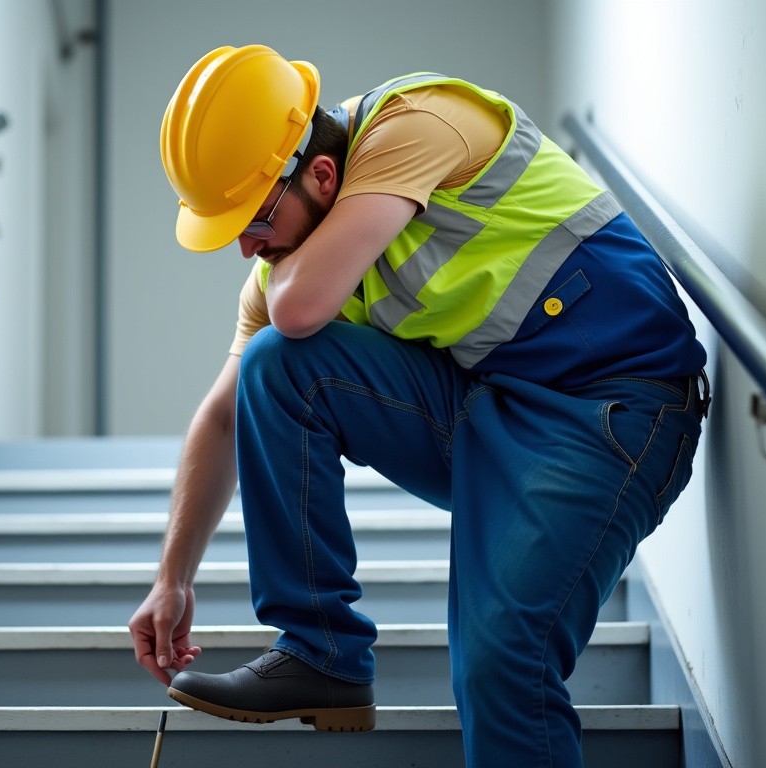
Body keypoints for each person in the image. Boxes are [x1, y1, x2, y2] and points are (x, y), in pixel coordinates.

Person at [128, 44, 709, 766]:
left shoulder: (418, 122)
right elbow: (224, 415)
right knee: (279, 369)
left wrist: (281, 289)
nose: (249, 248)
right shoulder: (293, 265)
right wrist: (172, 577)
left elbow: (300, 307)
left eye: (255, 218)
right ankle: (322, 653)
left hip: (615, 411)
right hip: (495, 411)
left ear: (321, 172)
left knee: (502, 664)